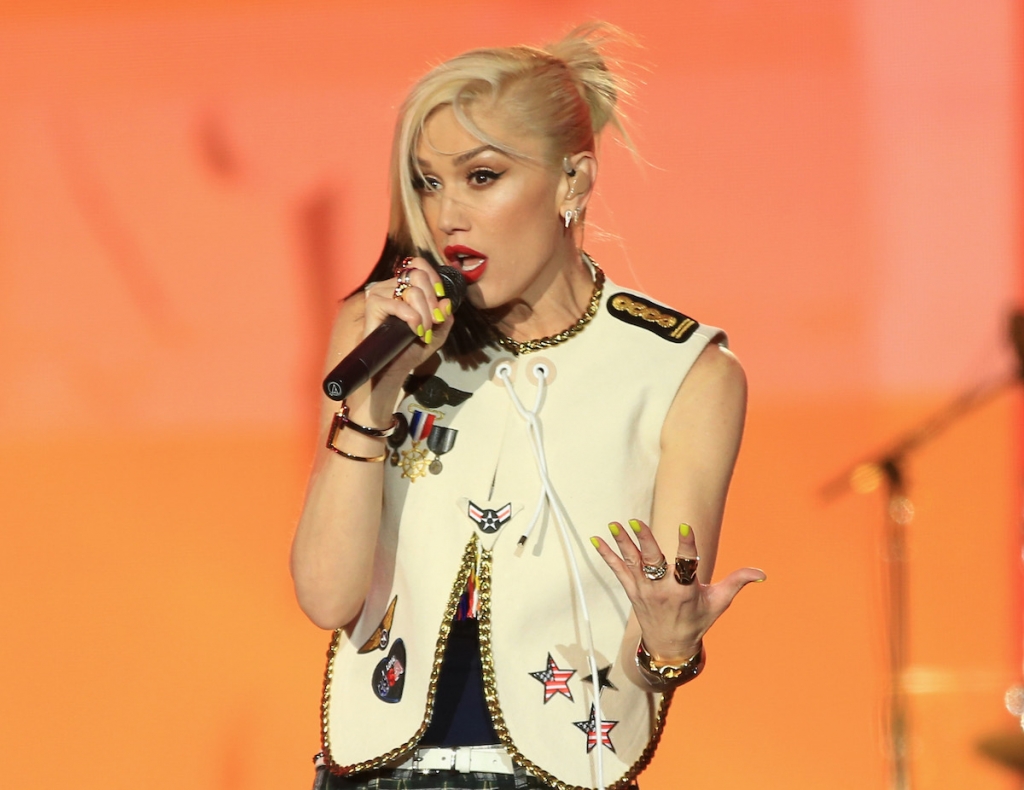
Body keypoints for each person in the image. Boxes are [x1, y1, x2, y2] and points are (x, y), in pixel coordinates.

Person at [291, 22, 765, 790]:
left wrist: (671, 645)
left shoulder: (682, 370)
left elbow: (659, 650)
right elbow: (326, 595)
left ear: (573, 182)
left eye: (481, 177)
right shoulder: (378, 332)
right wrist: (373, 403)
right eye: (427, 182)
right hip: (374, 770)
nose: (447, 215)